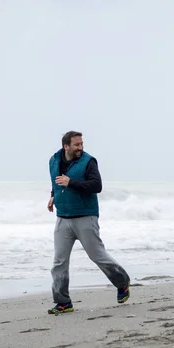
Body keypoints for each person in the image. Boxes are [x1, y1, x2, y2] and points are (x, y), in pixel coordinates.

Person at [46, 131, 131, 314]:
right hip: (63, 219)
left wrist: (71, 183)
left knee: (97, 256)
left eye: (82, 144)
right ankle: (63, 302)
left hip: (86, 217)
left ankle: (122, 282)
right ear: (66, 146)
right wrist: (53, 196)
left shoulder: (88, 162)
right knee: (59, 262)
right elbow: (55, 182)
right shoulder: (53, 161)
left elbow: (96, 186)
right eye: (77, 145)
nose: (80, 148)